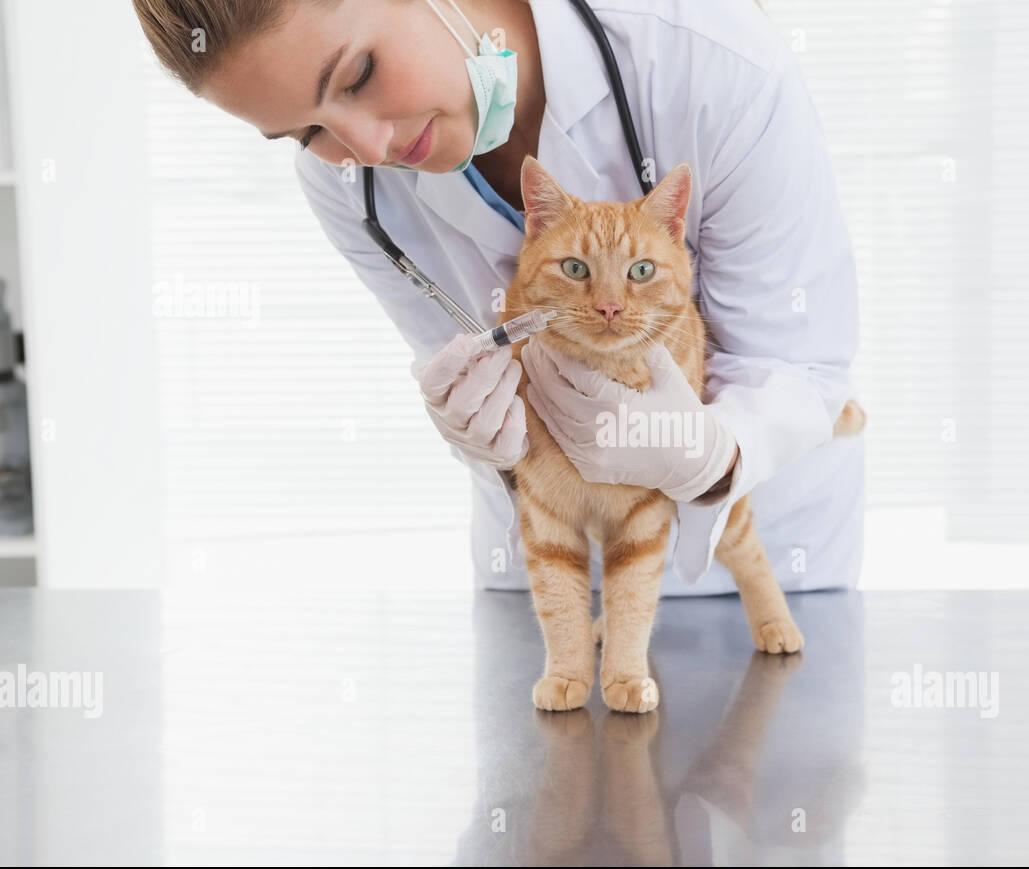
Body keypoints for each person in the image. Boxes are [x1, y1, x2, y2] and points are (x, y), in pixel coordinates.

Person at [132, 0, 865, 595]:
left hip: (763, 563)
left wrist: (711, 457)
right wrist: (484, 434)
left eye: (357, 75)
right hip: (552, 573)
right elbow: (464, 369)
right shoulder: (346, 183)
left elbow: (798, 360)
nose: (367, 144)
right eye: (304, 132)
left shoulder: (710, 59)